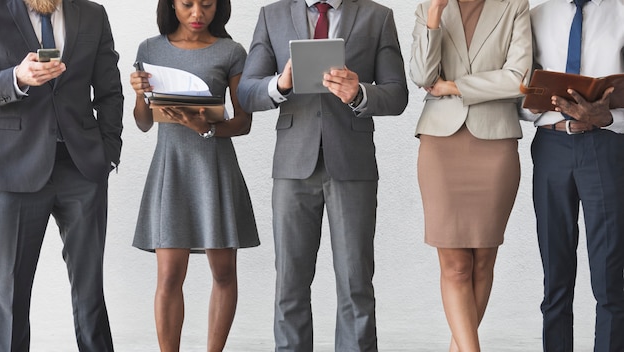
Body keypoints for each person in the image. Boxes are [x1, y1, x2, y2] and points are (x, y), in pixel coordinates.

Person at [237, 0, 408, 350]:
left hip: (352, 163)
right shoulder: (272, 15)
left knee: (355, 282)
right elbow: (246, 91)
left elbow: (397, 93)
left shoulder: (378, 16)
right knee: (290, 283)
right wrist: (280, 85)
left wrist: (359, 92)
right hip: (292, 165)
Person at [129, 0, 259, 351]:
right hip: (171, 167)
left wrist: (207, 128)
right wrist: (140, 95)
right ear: (172, 5)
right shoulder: (149, 48)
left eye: (207, 5)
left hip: (214, 166)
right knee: (169, 275)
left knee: (223, 273)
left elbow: (243, 122)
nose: (198, 13)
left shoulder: (232, 51)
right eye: (187, 4)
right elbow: (143, 123)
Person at [0, 0, 123, 350]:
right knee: (9, 295)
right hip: (14, 171)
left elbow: (110, 90)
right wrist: (16, 78)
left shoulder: (93, 14)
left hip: (83, 168)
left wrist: (108, 154)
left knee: (90, 294)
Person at [410, 0, 531, 350]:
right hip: (440, 146)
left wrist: (454, 87)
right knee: (456, 265)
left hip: (495, 144)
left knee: (482, 263)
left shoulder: (514, 7)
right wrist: (434, 15)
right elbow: (421, 75)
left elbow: (518, 79)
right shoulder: (427, 9)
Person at [526, 1, 624, 350]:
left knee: (610, 274)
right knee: (555, 271)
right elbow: (520, 87)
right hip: (552, 146)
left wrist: (607, 115)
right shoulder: (535, 16)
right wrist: (528, 104)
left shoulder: (621, 11)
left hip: (606, 146)